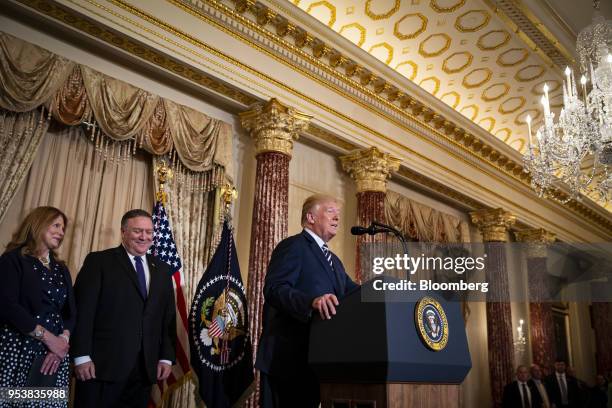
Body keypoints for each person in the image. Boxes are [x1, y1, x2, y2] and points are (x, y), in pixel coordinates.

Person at [256, 194, 359, 408]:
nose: (337, 217)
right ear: (311, 217)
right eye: (331, 211)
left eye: (338, 214)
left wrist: (384, 290)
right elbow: (275, 289)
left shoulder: (335, 263)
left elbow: (354, 294)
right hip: (287, 360)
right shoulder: (293, 246)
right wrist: (311, 302)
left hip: (317, 360)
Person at [71, 209, 176, 408]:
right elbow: (83, 312)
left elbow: (167, 317)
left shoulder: (162, 270)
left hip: (144, 369)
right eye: (138, 231)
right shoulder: (99, 261)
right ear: (123, 232)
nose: (144, 237)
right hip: (101, 366)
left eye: (149, 232)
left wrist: (166, 357)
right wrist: (81, 356)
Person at [0, 206, 76, 407]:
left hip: (54, 356)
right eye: (56, 225)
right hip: (18, 350)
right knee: (15, 402)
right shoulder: (13, 260)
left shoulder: (61, 268)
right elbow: (8, 306)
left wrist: (61, 341)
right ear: (38, 224)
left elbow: (71, 312)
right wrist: (48, 338)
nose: (61, 232)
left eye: (63, 228)